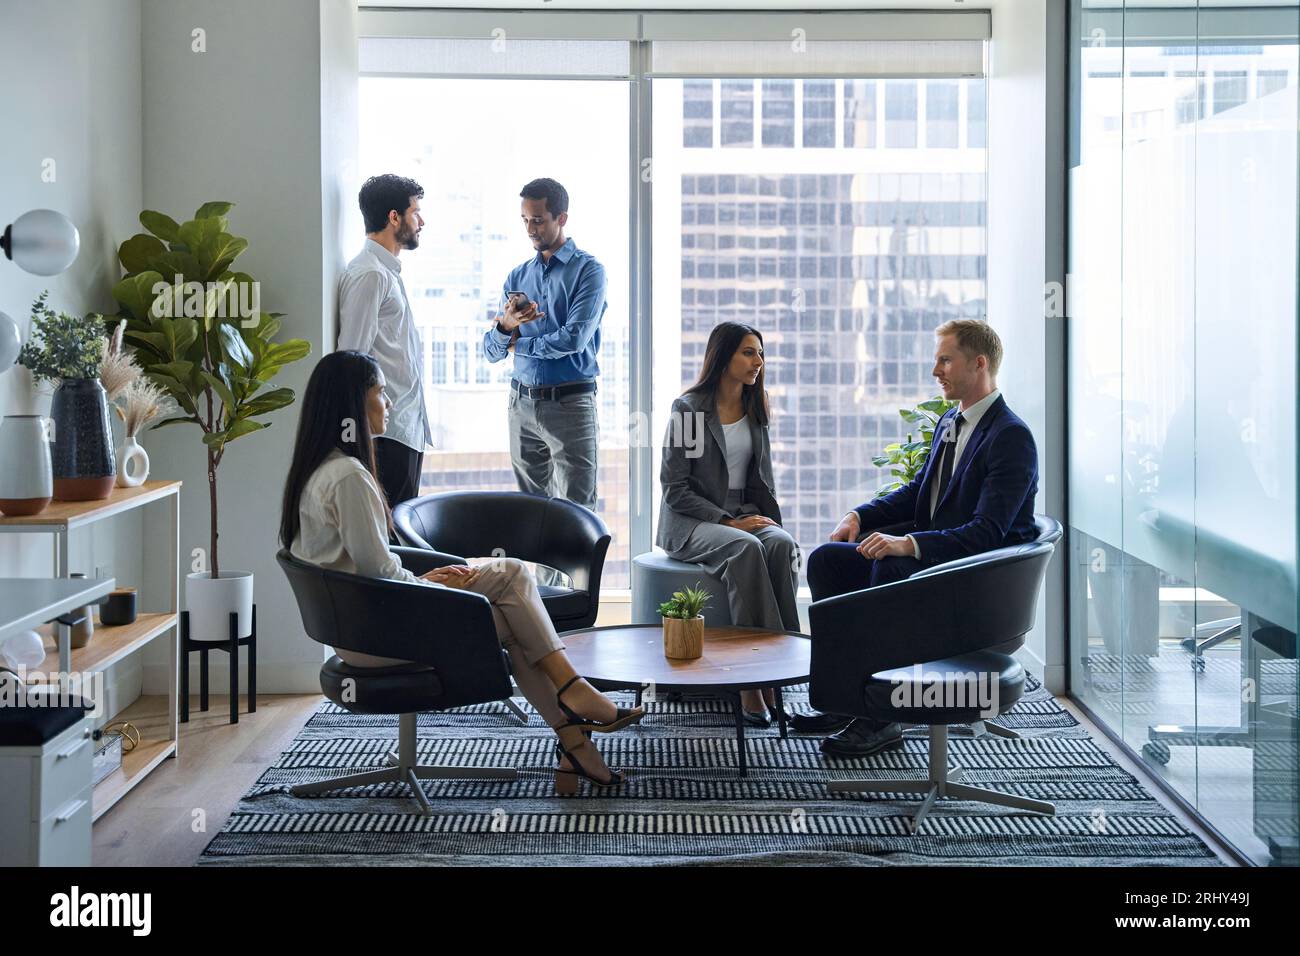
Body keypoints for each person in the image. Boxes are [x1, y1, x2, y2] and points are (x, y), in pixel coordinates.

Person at [278, 351, 642, 793]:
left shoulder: (320, 469)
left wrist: (423, 581)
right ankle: (573, 698)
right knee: (512, 595)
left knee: (511, 595)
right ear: (353, 402)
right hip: (375, 633)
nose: (389, 400)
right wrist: (423, 584)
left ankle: (576, 746)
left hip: (361, 626)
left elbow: (367, 564)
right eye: (380, 391)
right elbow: (376, 569)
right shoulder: (349, 477)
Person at [794, 318, 1040, 757]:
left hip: (974, 585)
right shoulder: (952, 420)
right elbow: (918, 495)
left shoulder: (1010, 437)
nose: (936, 371)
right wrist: (859, 514)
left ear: (979, 363)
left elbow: (986, 533)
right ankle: (843, 697)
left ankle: (880, 719)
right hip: (937, 564)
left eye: (945, 360)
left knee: (890, 564)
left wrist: (907, 545)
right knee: (827, 560)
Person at [656, 322, 801, 724]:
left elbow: (761, 480)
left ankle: (782, 662)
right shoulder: (689, 411)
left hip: (741, 512)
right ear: (723, 357)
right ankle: (753, 681)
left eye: (760, 353)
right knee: (746, 547)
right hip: (691, 517)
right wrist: (727, 521)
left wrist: (762, 521)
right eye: (748, 353)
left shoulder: (757, 407)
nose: (759, 361)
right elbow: (675, 487)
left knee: (781, 544)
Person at [482, 177, 606, 513]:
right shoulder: (517, 278)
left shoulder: (589, 272)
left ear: (561, 218)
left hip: (570, 404)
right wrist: (507, 328)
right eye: (525, 220)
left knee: (578, 514)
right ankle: (539, 571)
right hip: (520, 404)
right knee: (531, 514)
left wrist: (518, 345)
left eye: (538, 220)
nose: (530, 229)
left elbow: (573, 338)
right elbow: (491, 351)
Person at [337, 174, 431, 512]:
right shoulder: (371, 274)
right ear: (394, 217)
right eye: (415, 212)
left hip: (402, 431)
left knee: (402, 538)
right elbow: (350, 359)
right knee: (392, 543)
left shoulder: (385, 272)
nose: (421, 221)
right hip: (385, 437)